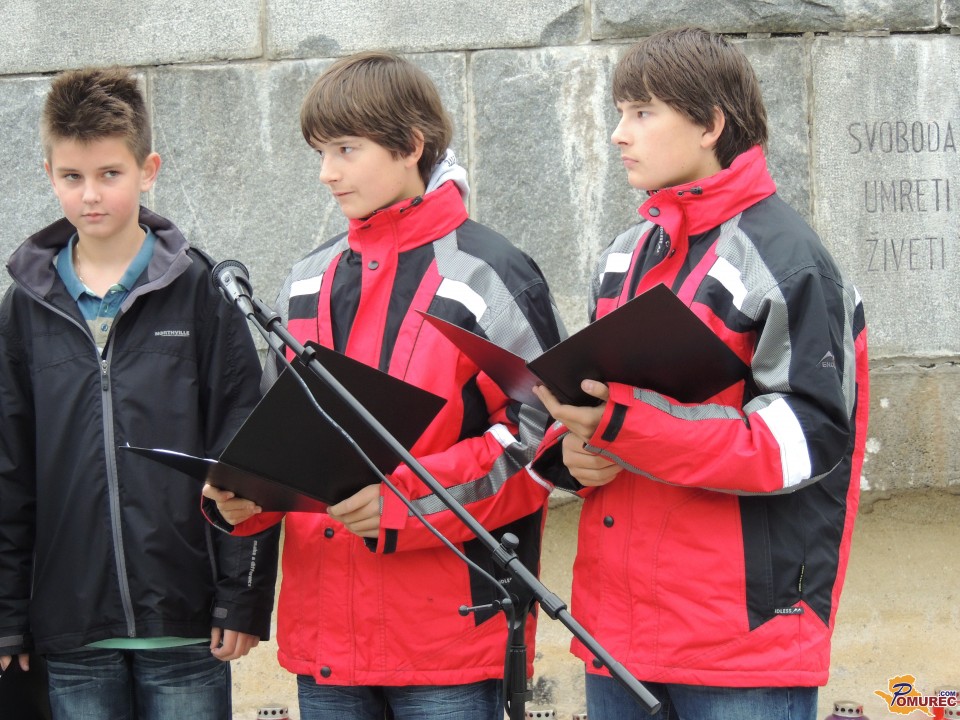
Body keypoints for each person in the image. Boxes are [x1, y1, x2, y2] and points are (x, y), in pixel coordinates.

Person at [202, 51, 565, 720]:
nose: (327, 172)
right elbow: (289, 441)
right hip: (327, 644)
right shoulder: (305, 281)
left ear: (411, 146)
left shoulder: (489, 274)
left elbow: (545, 443)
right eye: (320, 152)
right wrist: (248, 496)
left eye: (346, 149)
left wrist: (409, 502)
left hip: (448, 641)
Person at [530, 27, 870, 720]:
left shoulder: (790, 259)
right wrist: (574, 452)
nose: (619, 134)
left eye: (642, 112)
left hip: (742, 643)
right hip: (616, 636)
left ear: (711, 125)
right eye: (620, 112)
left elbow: (804, 444)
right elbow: (602, 404)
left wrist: (624, 426)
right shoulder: (626, 253)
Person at [0, 66, 280, 720]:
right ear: (49, 175)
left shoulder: (204, 290)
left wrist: (240, 597)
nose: (90, 195)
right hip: (72, 626)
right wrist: (8, 613)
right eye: (72, 177)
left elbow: (245, 448)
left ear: (148, 169)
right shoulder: (24, 307)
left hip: (185, 623)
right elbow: (9, 472)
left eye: (110, 174)